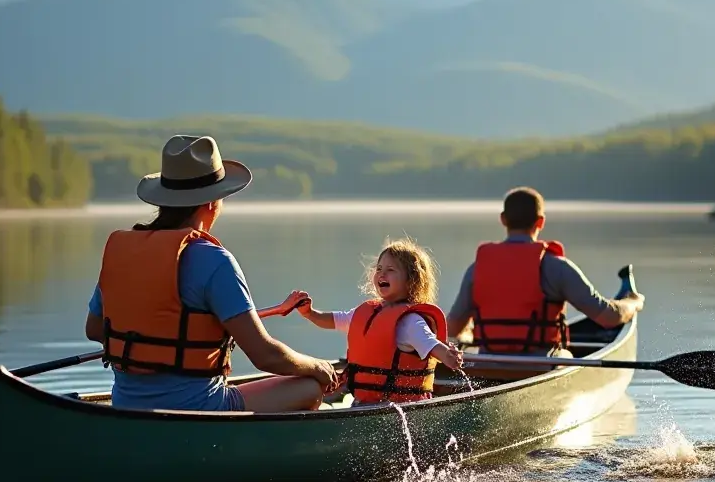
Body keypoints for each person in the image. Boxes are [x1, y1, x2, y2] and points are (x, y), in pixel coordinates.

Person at [84, 134, 340, 413]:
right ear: (212, 202)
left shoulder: (122, 252)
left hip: (125, 405)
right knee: (309, 388)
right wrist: (316, 366)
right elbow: (265, 356)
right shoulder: (215, 260)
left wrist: (146, 342)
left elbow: (94, 329)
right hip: (202, 407)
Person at [446, 187, 645, 356]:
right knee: (568, 354)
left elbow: (452, 329)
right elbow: (608, 318)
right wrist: (633, 302)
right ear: (540, 222)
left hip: (488, 365)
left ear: (503, 220)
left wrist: (471, 333)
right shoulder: (557, 268)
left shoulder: (477, 268)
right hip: (541, 365)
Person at [291, 238, 463, 405]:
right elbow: (333, 320)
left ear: (411, 280)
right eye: (379, 268)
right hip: (363, 403)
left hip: (401, 407)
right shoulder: (365, 313)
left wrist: (448, 356)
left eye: (391, 270)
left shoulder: (410, 321)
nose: (382, 273)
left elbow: (431, 344)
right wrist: (310, 313)